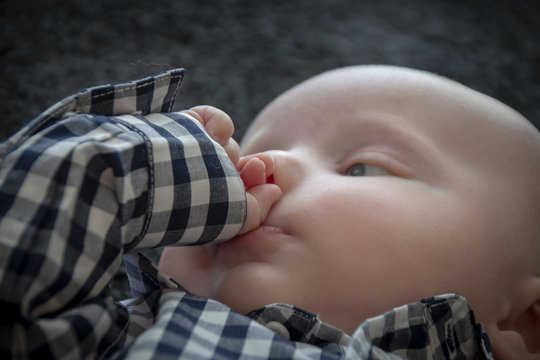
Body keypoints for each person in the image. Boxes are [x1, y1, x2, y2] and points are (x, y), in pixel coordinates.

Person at [0, 66, 537, 359]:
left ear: (525, 325)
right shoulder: (120, 332)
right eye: (242, 157)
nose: (262, 163)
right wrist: (154, 168)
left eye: (361, 168)